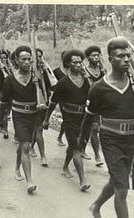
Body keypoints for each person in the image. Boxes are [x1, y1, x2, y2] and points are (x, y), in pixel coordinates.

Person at [78, 36, 134, 218]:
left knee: (116, 180)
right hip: (110, 139)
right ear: (110, 59)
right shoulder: (98, 88)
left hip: (131, 140)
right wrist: (81, 140)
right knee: (122, 188)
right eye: (120, 56)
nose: (126, 60)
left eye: (128, 56)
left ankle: (96, 206)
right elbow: (89, 117)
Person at [43, 49, 91, 192]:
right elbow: (53, 102)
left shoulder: (86, 80)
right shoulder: (63, 83)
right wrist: (46, 119)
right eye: (74, 62)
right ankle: (83, 181)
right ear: (68, 64)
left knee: (75, 146)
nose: (78, 65)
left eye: (80, 62)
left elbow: (94, 97)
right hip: (69, 119)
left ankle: (65, 167)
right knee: (76, 147)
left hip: (84, 118)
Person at [0, 46, 38, 194]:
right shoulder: (10, 80)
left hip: (34, 115)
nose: (27, 62)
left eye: (29, 59)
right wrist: (1, 118)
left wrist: (40, 83)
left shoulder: (37, 78)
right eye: (23, 59)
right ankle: (30, 181)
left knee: (24, 144)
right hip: (19, 116)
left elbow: (50, 92)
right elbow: (4, 101)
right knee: (26, 146)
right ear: (16, 60)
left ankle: (16, 167)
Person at [83, 45, 107, 166]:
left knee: (99, 129)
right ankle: (97, 155)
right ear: (88, 58)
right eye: (93, 55)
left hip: (103, 103)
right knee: (93, 128)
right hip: (89, 102)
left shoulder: (103, 71)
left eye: (98, 55)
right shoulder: (84, 71)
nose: (96, 57)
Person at [29, 48, 50, 167]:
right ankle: (43, 155)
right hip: (32, 103)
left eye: (40, 56)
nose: (39, 59)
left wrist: (45, 71)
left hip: (44, 102)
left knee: (38, 128)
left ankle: (34, 148)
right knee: (37, 128)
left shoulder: (45, 70)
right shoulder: (28, 71)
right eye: (37, 57)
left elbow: (52, 85)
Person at [53, 50, 68, 147]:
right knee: (67, 119)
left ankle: (61, 135)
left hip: (75, 99)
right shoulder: (57, 71)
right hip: (62, 99)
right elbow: (53, 85)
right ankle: (60, 136)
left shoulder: (75, 72)